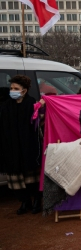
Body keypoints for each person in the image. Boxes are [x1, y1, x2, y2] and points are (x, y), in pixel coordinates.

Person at [0, 75, 43, 214]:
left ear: (24, 90)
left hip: (29, 146)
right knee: (16, 178)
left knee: (32, 178)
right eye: (11, 88)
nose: (12, 90)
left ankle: (37, 201)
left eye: (16, 88)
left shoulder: (32, 104)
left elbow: (39, 124)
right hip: (12, 147)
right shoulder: (6, 105)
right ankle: (25, 202)